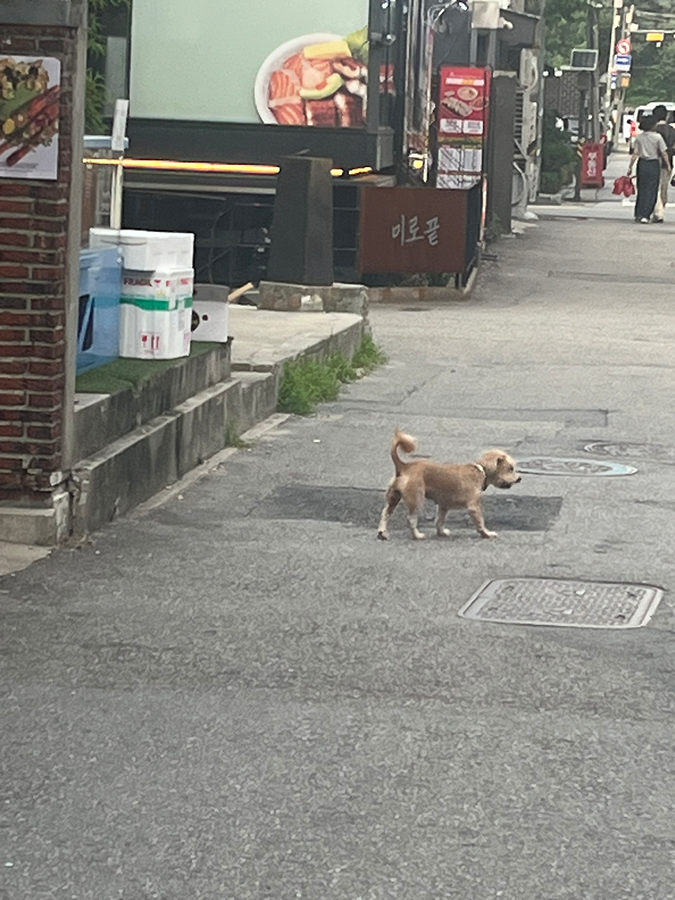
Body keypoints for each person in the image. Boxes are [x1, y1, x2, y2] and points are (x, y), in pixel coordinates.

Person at [627, 115, 670, 224]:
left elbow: (635, 153)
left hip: (642, 164)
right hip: (653, 164)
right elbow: (663, 152)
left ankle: (639, 213)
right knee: (652, 190)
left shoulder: (639, 137)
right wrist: (668, 165)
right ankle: (646, 214)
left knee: (641, 189)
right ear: (652, 125)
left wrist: (630, 166)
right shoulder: (657, 137)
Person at [651, 105, 675, 223]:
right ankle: (660, 212)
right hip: (668, 162)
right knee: (663, 188)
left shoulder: (653, 129)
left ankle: (654, 211)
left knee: (652, 187)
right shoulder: (671, 130)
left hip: (653, 160)